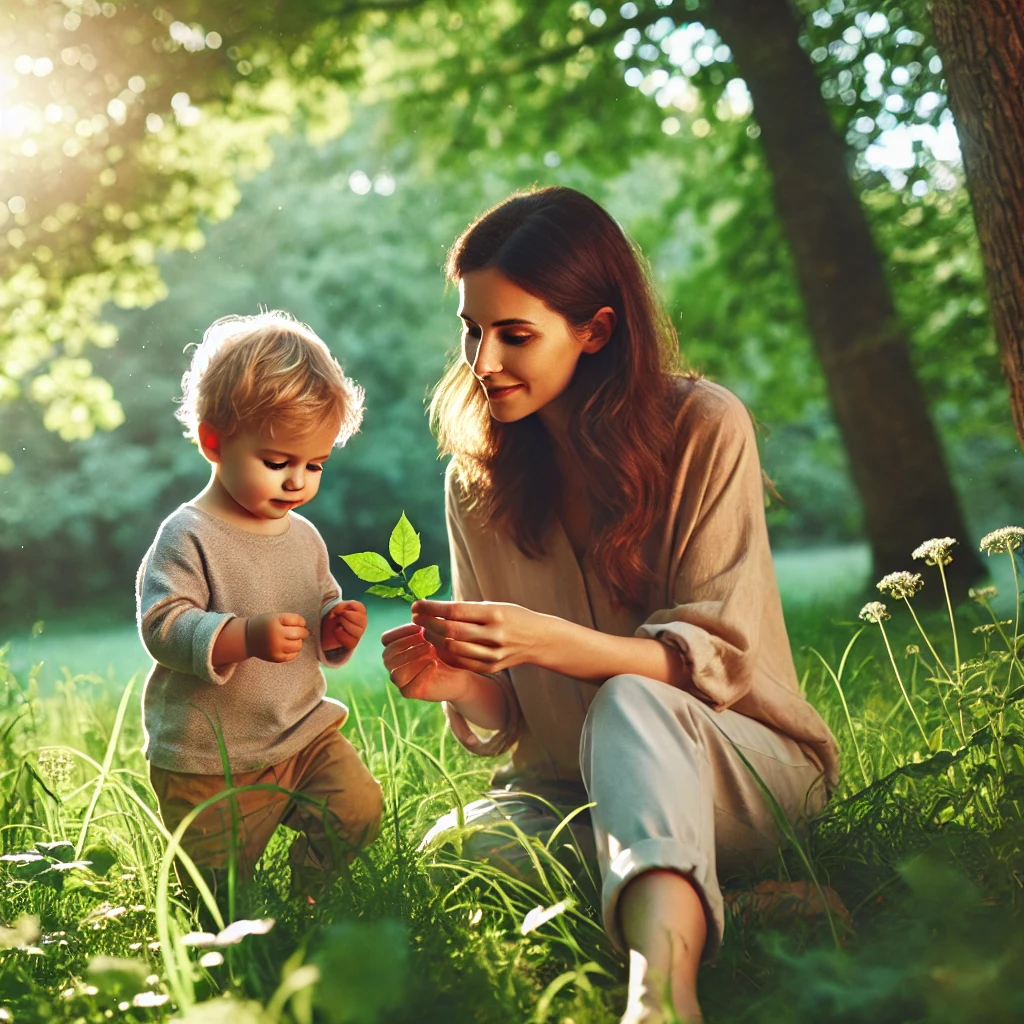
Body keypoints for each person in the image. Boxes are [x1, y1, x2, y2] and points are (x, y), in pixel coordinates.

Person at [381, 187, 839, 1023]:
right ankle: (721, 900)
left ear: (595, 329)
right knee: (453, 849)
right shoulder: (474, 480)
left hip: (742, 772)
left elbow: (715, 662)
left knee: (634, 701)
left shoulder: (704, 426)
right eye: (471, 330)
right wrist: (461, 681)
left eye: (514, 335)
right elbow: (510, 711)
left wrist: (552, 640)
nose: (483, 362)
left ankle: (660, 998)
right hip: (572, 790)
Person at [137, 310, 383, 914]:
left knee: (356, 808)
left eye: (315, 465)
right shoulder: (188, 534)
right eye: (278, 462)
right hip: (208, 757)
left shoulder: (303, 536)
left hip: (299, 733)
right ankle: (224, 943)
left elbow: (317, 607)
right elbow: (163, 625)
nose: (298, 481)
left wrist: (336, 627)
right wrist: (241, 637)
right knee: (214, 896)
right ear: (214, 440)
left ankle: (304, 898)